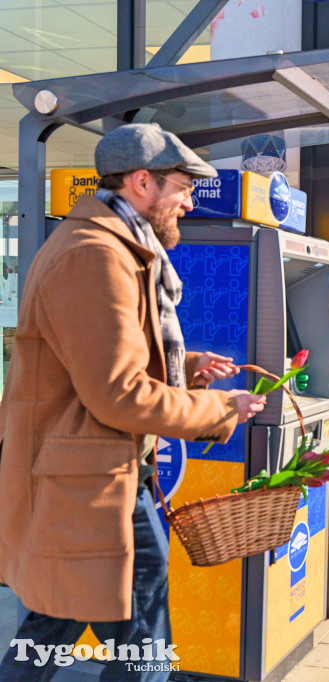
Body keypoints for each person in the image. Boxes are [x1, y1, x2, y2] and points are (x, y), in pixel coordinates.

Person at [0, 123, 266, 681]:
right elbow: (119, 394)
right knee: (118, 638)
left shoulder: (119, 248)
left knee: (95, 631)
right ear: (143, 182)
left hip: (106, 481)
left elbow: (101, 364)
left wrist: (187, 367)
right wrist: (221, 410)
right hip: (88, 491)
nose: (189, 203)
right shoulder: (95, 255)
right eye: (183, 189)